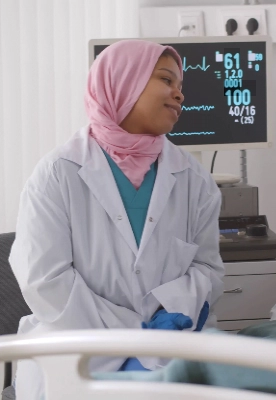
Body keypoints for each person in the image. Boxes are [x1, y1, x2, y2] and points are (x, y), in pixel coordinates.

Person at [9, 40, 225, 400]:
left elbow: (207, 269)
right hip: (78, 349)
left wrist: (170, 315)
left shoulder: (194, 180)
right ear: (123, 83)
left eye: (181, 87)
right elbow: (44, 279)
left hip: (169, 348)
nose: (179, 95)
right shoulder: (58, 173)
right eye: (166, 80)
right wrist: (134, 333)